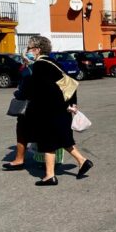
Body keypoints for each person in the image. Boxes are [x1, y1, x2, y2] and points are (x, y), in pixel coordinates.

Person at [23, 35, 93, 186]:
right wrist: (72, 104)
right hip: (61, 110)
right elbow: (70, 84)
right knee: (62, 139)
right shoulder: (54, 63)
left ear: (37, 49)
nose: (27, 51)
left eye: (29, 48)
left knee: (48, 142)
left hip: (49, 111)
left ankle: (50, 176)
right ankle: (83, 161)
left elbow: (43, 91)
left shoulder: (40, 66)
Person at [2, 52, 35, 170]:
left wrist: (17, 93)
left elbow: (24, 90)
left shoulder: (28, 70)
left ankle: (19, 159)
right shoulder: (40, 67)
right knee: (42, 133)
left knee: (22, 131)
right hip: (40, 105)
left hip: (29, 106)